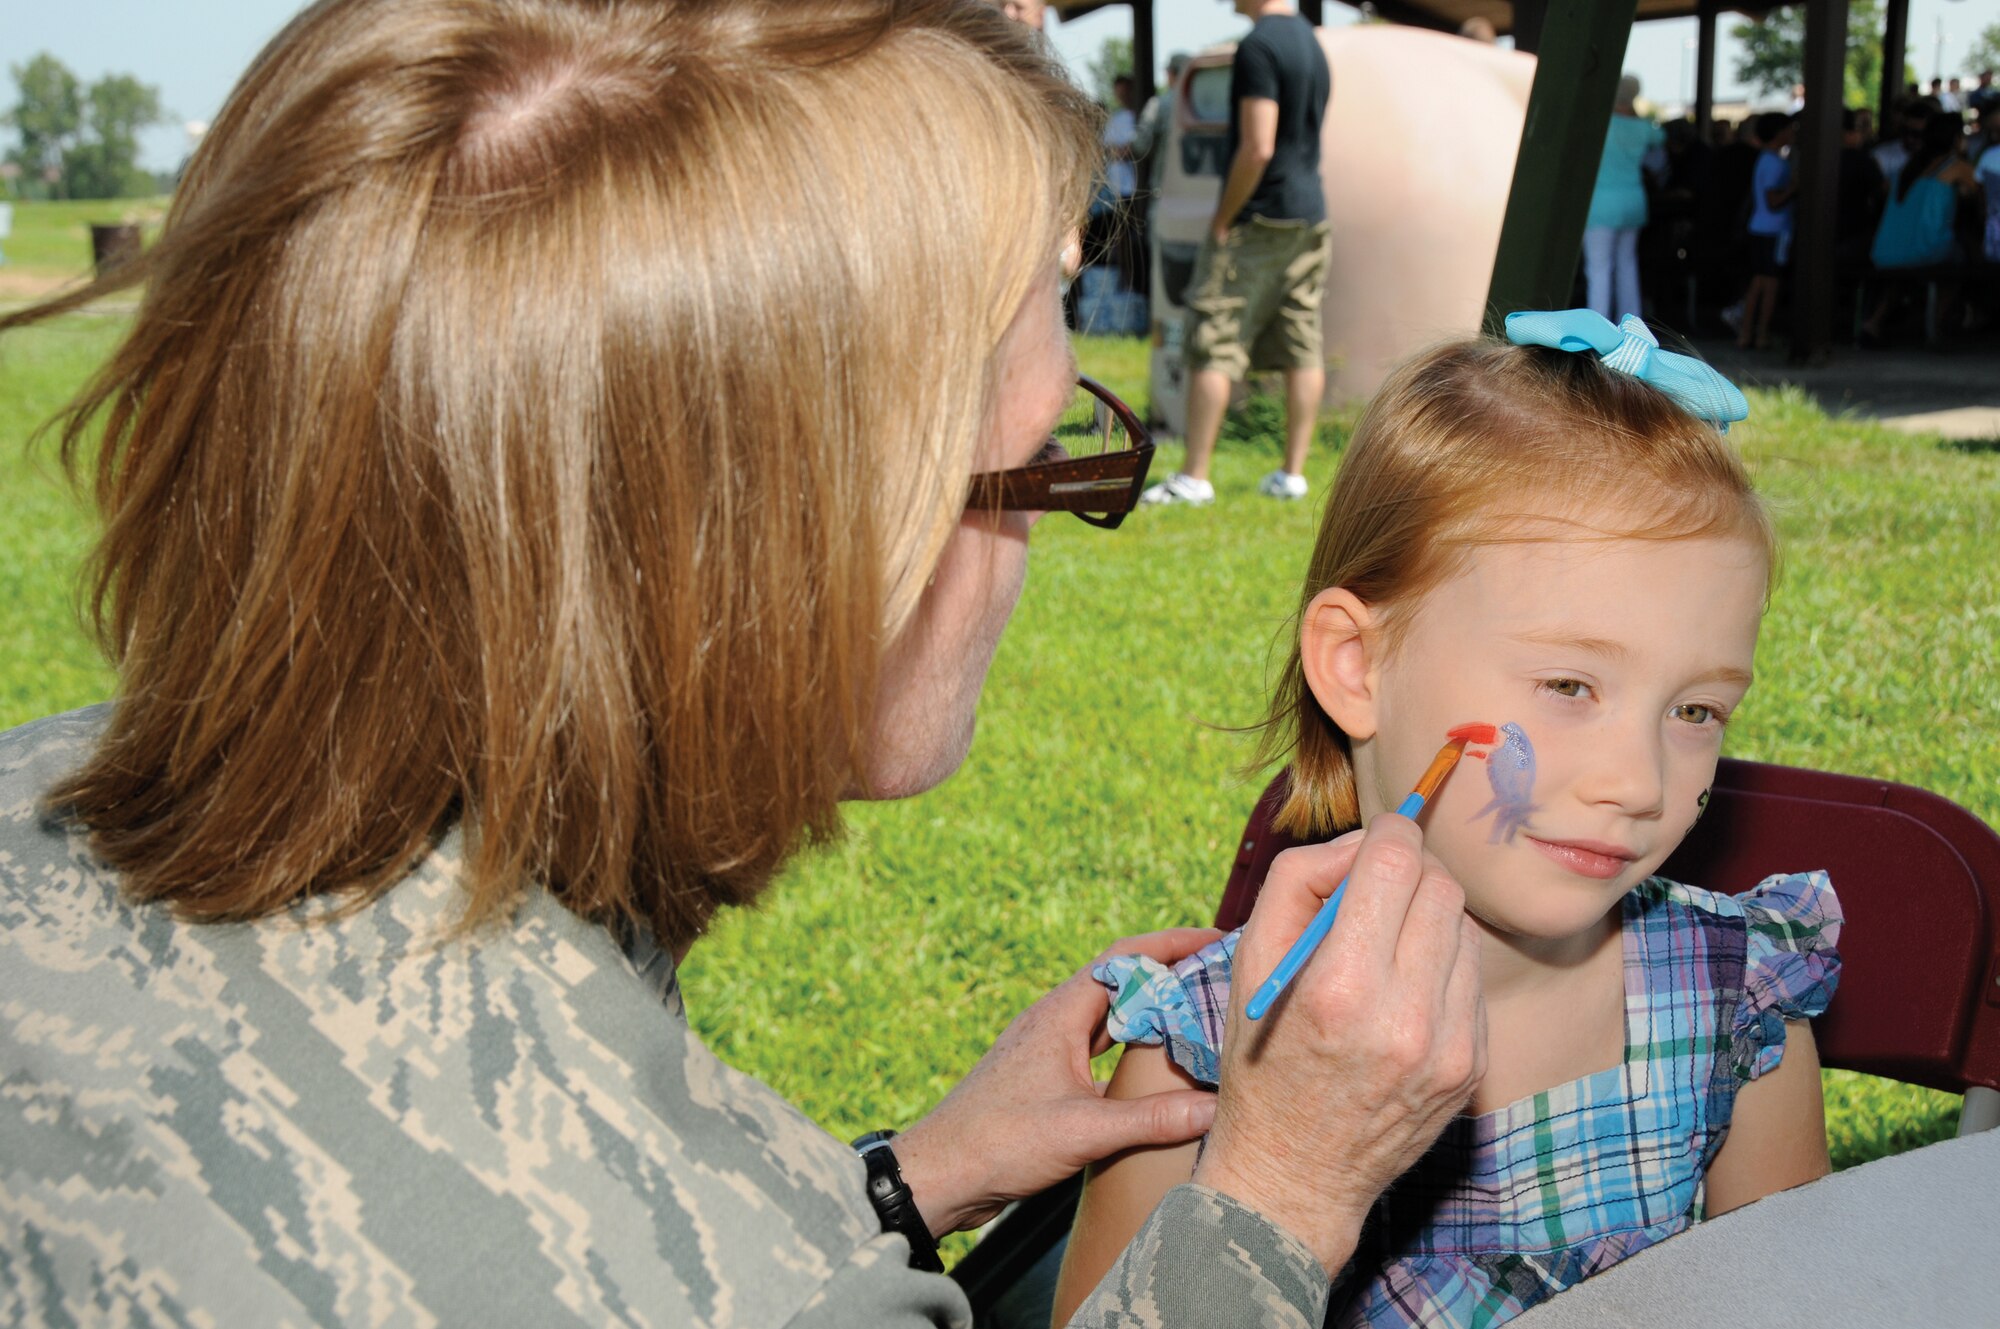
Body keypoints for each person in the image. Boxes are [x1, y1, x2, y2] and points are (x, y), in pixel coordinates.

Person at [0, 2, 1486, 1324]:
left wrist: (903, 1180)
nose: (1039, 540)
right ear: (791, 570)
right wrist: (1282, 1194)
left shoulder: (49, 783)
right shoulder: (752, 1282)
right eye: (1038, 468)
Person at [1052, 311, 1841, 1329]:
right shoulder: (1204, 1059)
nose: (1638, 780)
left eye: (1694, 711)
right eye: (1567, 684)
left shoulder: (1736, 1003)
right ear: (1355, 665)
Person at [1142, 0, 1332, 507]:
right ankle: (1292, 474)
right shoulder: (1312, 43)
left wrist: (1224, 217)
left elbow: (1258, 146)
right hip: (1310, 215)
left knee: (1213, 333)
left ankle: (1194, 477)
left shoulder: (1258, 46)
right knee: (1301, 339)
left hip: (1258, 216)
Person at [1861, 110, 1982, 346]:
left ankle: (1875, 321)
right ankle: (1942, 321)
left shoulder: (1909, 167)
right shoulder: (1957, 167)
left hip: (1886, 250)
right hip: (1928, 249)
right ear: (1956, 138)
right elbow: (1982, 195)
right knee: (1965, 255)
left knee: (1902, 271)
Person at [1582, 73, 1665, 322]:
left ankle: (1598, 330)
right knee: (1627, 266)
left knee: (1599, 270)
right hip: (1633, 201)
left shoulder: (1600, 123)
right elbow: (1661, 138)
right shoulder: (1643, 127)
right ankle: (1632, 327)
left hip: (1601, 204)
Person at [1735, 111, 1796, 350]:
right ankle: (1760, 334)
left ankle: (1747, 332)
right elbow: (1773, 200)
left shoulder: (1764, 159)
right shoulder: (1775, 163)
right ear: (1779, 132)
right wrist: (1794, 188)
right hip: (1773, 230)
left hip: (1759, 227)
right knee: (1769, 283)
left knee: (1758, 281)